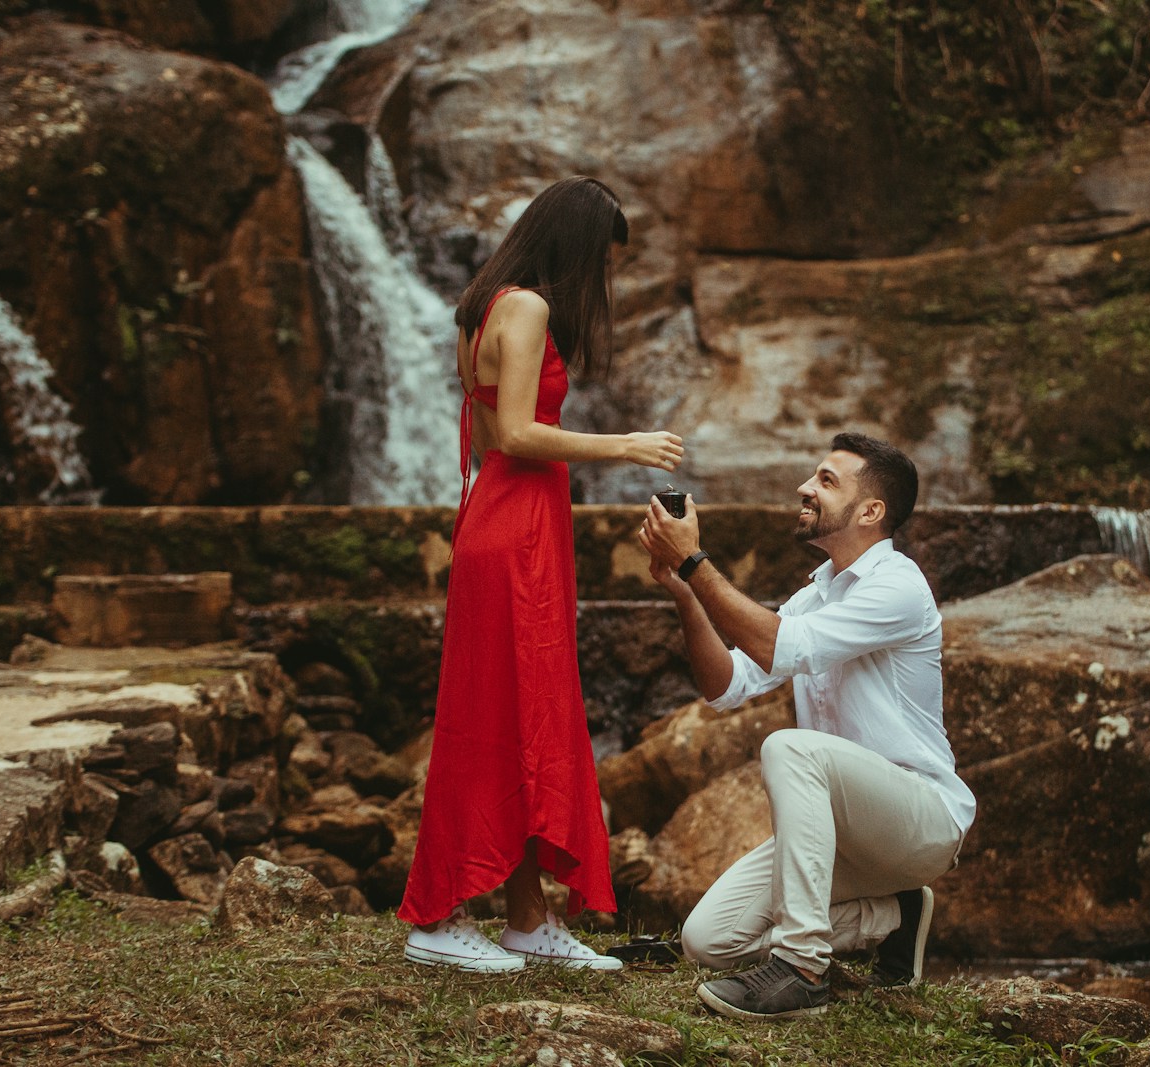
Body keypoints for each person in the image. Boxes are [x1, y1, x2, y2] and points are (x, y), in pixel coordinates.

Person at [398, 177, 684, 973]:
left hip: (513, 525)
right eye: (603, 262)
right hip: (515, 534)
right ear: (575, 247)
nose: (604, 281)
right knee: (490, 721)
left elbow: (492, 439)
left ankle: (528, 920)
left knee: (528, 721)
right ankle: (437, 915)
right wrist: (625, 445)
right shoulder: (524, 307)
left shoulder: (480, 308)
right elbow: (517, 433)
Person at [637, 433, 974, 1019]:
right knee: (708, 941)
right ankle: (894, 915)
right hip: (846, 836)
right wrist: (684, 588)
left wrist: (698, 560)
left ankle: (801, 969)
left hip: (921, 819)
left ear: (871, 512)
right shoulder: (817, 594)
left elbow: (777, 644)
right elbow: (727, 687)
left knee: (791, 748)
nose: (804, 488)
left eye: (825, 480)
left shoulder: (898, 585)